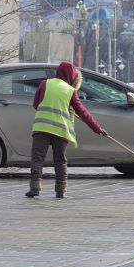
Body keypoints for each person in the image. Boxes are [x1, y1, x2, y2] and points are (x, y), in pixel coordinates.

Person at [25, 61, 107, 199]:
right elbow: (83, 113)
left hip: (42, 127)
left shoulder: (45, 84)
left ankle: (35, 187)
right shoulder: (70, 91)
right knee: (60, 160)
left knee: (37, 158)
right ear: (71, 76)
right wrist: (97, 128)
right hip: (60, 130)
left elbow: (35, 104)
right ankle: (61, 190)